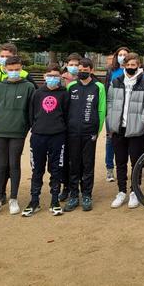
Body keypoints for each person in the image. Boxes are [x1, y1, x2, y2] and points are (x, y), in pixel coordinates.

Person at [0, 42, 35, 206]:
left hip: (16, 128)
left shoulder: (26, 78)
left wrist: (26, 126)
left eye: (8, 57)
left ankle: (11, 195)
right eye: (2, 56)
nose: (4, 60)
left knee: (12, 162)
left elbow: (30, 105)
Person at [106, 52, 144, 209]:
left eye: (133, 65)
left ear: (138, 65)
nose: (130, 68)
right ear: (124, 66)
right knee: (120, 162)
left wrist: (142, 124)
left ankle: (135, 191)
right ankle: (121, 191)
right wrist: (111, 123)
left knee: (136, 162)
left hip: (137, 130)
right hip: (119, 128)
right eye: (128, 65)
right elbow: (110, 102)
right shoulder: (116, 81)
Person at [23, 63, 68, 217]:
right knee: (37, 169)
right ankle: (34, 200)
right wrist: (35, 127)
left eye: (56, 76)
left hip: (58, 136)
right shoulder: (37, 93)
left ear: (60, 77)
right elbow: (31, 113)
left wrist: (62, 128)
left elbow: (67, 114)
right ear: (44, 77)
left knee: (56, 169)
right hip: (38, 136)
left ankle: (54, 200)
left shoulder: (64, 93)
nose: (52, 79)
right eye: (50, 76)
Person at [64, 57, 105, 212]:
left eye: (85, 70)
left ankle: (87, 194)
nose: (82, 72)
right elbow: (66, 109)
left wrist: (97, 130)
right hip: (72, 132)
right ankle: (74, 195)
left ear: (91, 71)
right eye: (80, 70)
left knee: (87, 164)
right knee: (74, 164)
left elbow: (101, 110)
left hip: (90, 132)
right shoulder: (72, 86)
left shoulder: (98, 87)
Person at [103, 45, 130, 183]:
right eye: (120, 54)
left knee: (128, 138)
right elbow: (107, 90)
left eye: (125, 54)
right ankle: (109, 168)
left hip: (127, 110)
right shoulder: (111, 71)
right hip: (112, 110)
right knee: (110, 139)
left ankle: (132, 167)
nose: (122, 57)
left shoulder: (132, 70)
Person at [58, 52, 81, 202]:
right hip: (61, 124)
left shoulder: (83, 80)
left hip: (77, 125)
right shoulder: (60, 80)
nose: (73, 67)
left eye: (76, 65)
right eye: (70, 64)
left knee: (76, 158)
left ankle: (76, 186)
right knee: (63, 158)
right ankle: (65, 186)